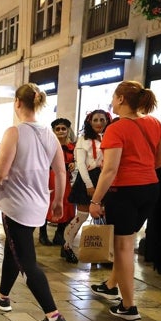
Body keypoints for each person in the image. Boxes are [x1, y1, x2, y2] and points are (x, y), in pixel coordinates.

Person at [0, 83, 71, 321]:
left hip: (17, 204)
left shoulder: (15, 132)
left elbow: (1, 171)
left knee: (26, 260)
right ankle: (2, 296)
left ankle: (53, 316)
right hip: (38, 203)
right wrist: (57, 202)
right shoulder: (49, 134)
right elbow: (60, 170)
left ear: (17, 103)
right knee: (13, 249)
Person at [89, 80, 161, 320]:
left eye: (114, 98)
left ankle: (128, 306)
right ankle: (111, 285)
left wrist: (95, 201)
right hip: (150, 189)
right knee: (127, 241)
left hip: (124, 192)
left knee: (123, 248)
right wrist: (144, 169)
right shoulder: (154, 122)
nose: (112, 102)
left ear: (121, 99)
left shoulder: (116, 128)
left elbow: (110, 169)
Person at [62, 110, 112, 263]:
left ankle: (101, 252)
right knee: (82, 216)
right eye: (95, 120)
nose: (99, 123)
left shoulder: (110, 137)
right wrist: (89, 185)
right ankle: (67, 246)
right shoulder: (83, 139)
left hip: (105, 178)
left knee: (103, 217)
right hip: (87, 179)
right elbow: (81, 165)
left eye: (102, 120)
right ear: (89, 122)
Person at [38, 118, 75, 247]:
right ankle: (42, 234)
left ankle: (59, 233)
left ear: (68, 130)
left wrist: (73, 164)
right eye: (58, 129)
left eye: (63, 128)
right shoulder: (48, 145)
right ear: (53, 131)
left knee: (67, 205)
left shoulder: (73, 147)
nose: (61, 131)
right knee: (46, 204)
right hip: (49, 177)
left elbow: (78, 160)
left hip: (66, 180)